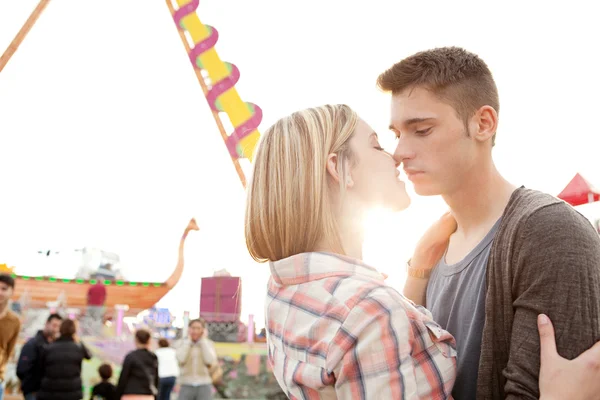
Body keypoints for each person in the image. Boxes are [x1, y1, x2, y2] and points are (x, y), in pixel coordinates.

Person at [244, 104, 600, 399]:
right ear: (339, 168)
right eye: (378, 145)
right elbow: (369, 326)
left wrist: (418, 270)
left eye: (420, 131)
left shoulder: (285, 290)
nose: (396, 156)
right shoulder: (370, 312)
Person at [377, 46, 600, 399]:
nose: (400, 151)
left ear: (483, 123)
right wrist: (416, 275)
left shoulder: (550, 233)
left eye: (421, 130)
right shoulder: (433, 250)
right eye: (396, 134)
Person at [37, 318, 92, 400]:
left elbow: (40, 369)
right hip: (72, 392)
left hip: (50, 392)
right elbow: (89, 356)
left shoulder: (49, 348)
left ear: (60, 329)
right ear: (74, 331)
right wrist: (78, 340)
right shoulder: (78, 348)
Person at [16, 313, 63, 400]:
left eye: (59, 326)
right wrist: (33, 385)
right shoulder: (32, 344)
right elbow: (21, 370)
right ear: (47, 324)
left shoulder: (55, 346)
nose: (56, 329)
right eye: (54, 325)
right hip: (34, 392)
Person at [176, 318, 217, 400]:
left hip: (204, 384)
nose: (195, 331)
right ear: (189, 329)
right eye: (193, 328)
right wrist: (188, 342)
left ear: (203, 330)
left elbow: (209, 360)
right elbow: (181, 359)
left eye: (198, 328)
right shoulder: (181, 343)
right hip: (186, 383)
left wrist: (203, 341)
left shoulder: (209, 344)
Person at [115, 329, 159, 400]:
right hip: (147, 395)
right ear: (148, 340)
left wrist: (117, 395)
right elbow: (156, 379)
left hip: (130, 395)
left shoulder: (130, 356)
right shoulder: (153, 357)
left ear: (136, 340)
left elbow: (123, 378)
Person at [0, 274, 21, 400]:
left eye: (4, 288)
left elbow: (8, 350)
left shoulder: (14, 321)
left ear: (11, 291)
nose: (0, 292)